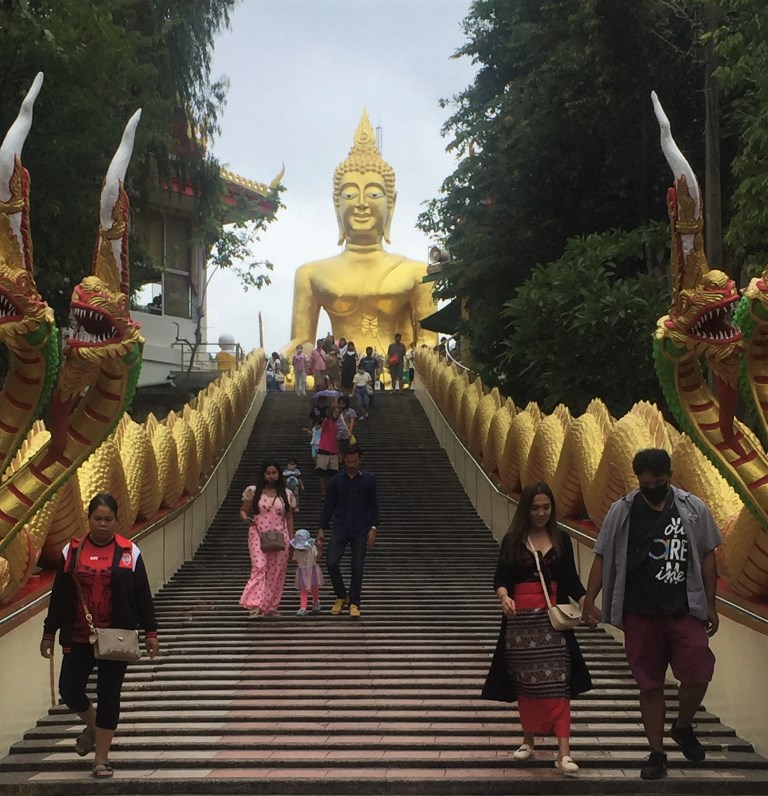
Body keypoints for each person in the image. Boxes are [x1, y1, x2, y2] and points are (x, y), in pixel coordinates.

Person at [583, 448, 721, 781]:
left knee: (699, 671)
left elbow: (707, 555)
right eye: (645, 484)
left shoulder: (692, 508)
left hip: (684, 608)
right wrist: (589, 600)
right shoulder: (623, 511)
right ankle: (657, 753)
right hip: (640, 611)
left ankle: (683, 725)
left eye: (658, 482)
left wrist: (711, 605)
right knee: (650, 685)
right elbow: (602, 556)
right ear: (638, 481)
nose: (652, 488)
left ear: (669, 476)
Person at [283, 111, 437, 358]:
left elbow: (428, 341)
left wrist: (417, 359)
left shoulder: (418, 274)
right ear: (337, 204)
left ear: (392, 204)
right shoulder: (310, 275)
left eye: (375, 194)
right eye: (350, 194)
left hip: (397, 368)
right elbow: (301, 342)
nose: (362, 203)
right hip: (338, 369)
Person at [40, 493, 159, 780]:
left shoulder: (129, 552)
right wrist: (48, 631)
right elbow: (59, 595)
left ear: (117, 520)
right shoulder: (73, 551)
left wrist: (151, 632)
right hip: (79, 635)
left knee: (109, 695)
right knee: (69, 688)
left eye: (108, 519)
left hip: (116, 636)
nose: (103, 524)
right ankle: (93, 727)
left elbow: (142, 594)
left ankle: (101, 759)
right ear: (89, 519)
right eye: (97, 519)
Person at [482, 482, 591, 775]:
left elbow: (571, 581)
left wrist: (586, 603)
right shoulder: (513, 541)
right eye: (535, 507)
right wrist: (505, 598)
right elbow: (500, 578)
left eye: (546, 507)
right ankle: (528, 739)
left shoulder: (562, 539)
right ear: (526, 509)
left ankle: (564, 751)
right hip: (521, 624)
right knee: (526, 684)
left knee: (559, 682)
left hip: (552, 621)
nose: (541, 513)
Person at [318, 444, 379, 619]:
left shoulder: (368, 479)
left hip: (361, 527)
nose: (352, 464)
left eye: (355, 461)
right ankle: (341, 595)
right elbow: (329, 504)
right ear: (344, 459)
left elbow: (374, 505)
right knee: (331, 561)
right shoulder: (337, 481)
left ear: (360, 459)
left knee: (357, 566)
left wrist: (374, 527)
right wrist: (322, 526)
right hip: (340, 526)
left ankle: (354, 602)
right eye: (349, 461)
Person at [239, 462, 296, 619]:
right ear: (263, 474)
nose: (271, 476)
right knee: (260, 566)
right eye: (268, 473)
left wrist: (291, 540)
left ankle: (270, 606)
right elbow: (243, 510)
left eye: (274, 472)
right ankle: (256, 603)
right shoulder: (253, 491)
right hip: (258, 533)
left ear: (279, 474)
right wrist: (246, 519)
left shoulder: (287, 494)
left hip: (280, 535)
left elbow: (289, 517)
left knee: (277, 571)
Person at [289, 529, 324, 616]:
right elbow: (292, 558)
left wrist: (319, 548)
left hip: (312, 571)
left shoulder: (312, 548)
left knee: (314, 588)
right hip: (302, 572)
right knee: (303, 590)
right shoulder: (296, 551)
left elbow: (318, 557)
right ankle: (303, 607)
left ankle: (316, 602)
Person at [316, 407, 341, 498]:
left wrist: (338, 452)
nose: (337, 414)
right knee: (322, 473)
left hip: (333, 451)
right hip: (324, 450)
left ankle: (332, 492)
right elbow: (326, 418)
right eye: (335, 412)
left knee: (334, 474)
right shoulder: (326, 422)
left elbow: (335, 439)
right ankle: (323, 492)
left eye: (339, 413)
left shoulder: (337, 425)